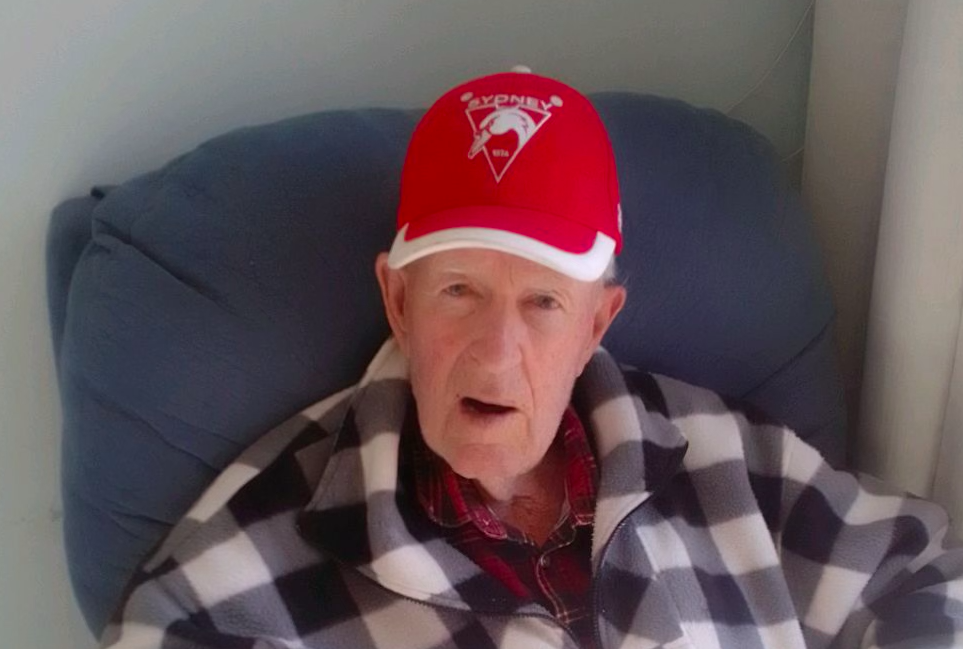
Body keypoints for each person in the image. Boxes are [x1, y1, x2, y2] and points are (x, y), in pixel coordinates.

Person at [101, 71, 963, 649]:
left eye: (543, 302)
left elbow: (929, 573)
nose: (496, 350)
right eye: (458, 291)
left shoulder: (728, 460)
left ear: (596, 324)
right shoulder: (254, 563)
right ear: (397, 301)